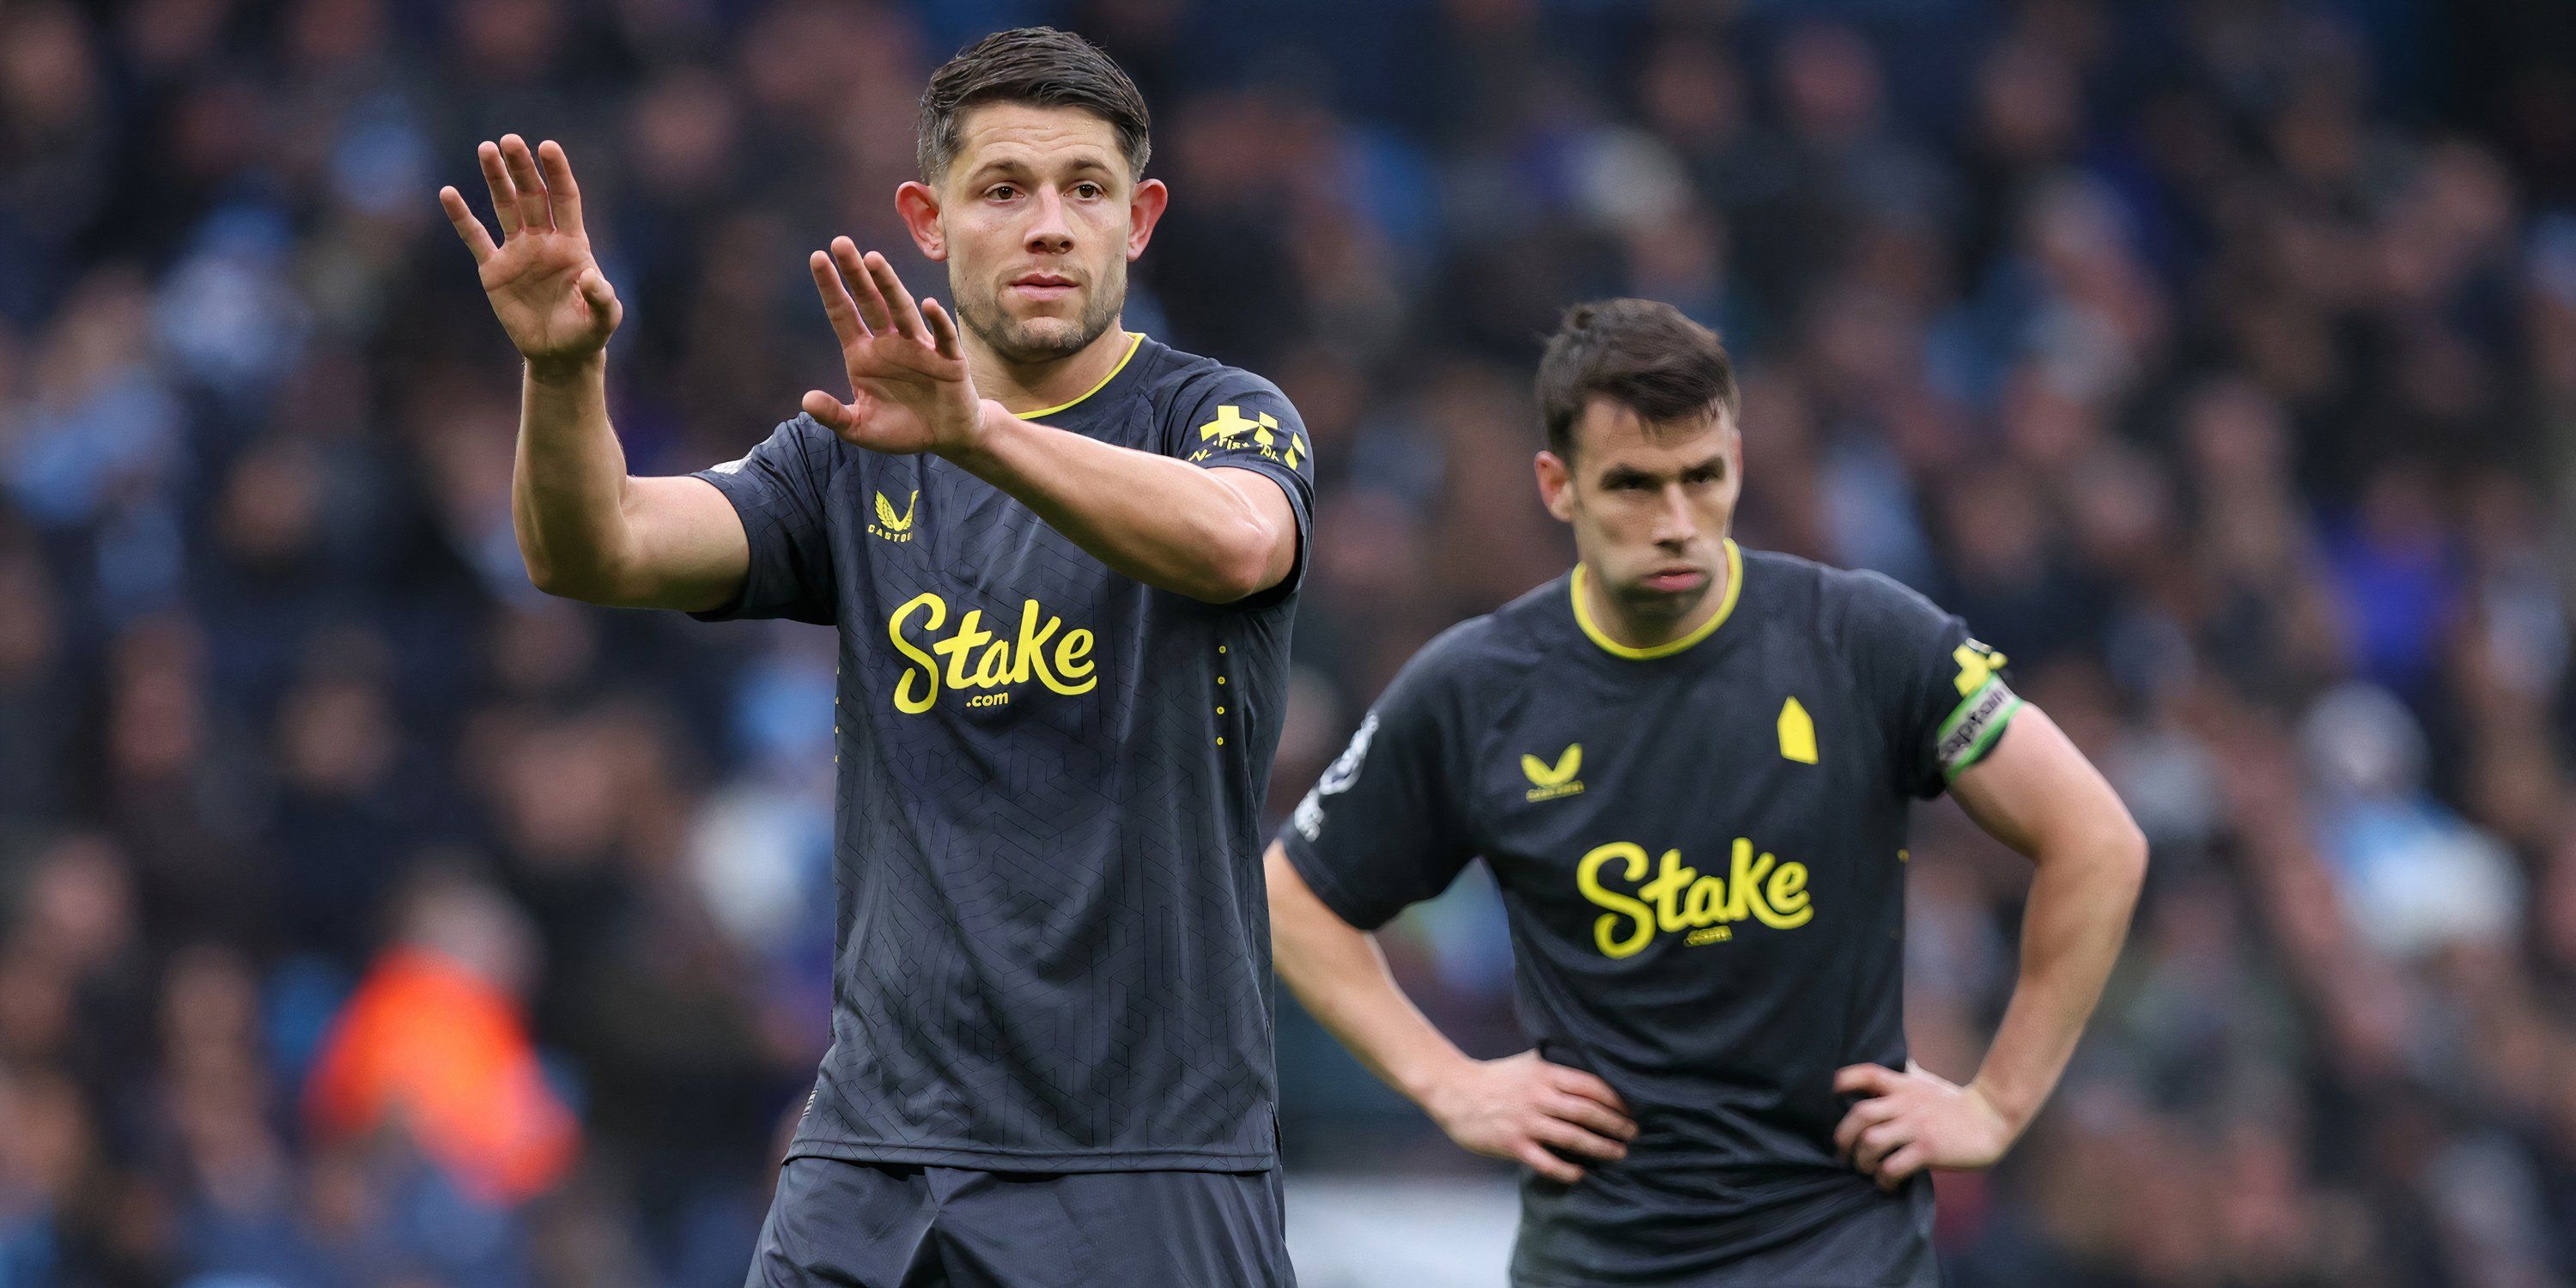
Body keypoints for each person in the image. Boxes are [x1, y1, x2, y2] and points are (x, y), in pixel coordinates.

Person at [438, 27, 1312, 1288]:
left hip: (1146, 1158)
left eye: (1087, 189)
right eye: (1004, 189)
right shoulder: (855, 450)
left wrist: (980, 434)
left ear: (1144, 219)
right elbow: (600, 549)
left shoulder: (1217, 414)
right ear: (928, 218)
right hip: (877, 1156)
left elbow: (1238, 542)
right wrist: (563, 372)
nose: (1051, 224)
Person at [1267, 299, 2147, 1286]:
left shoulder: (1863, 642)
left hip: (1838, 1250)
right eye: (1634, 487)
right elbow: (1293, 897)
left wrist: (1997, 1104)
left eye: (1703, 478)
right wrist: (1449, 1084)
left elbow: (2098, 840)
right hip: (1598, 1259)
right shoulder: (1478, 690)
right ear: (1558, 487)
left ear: (1738, 460)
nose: (1677, 524)